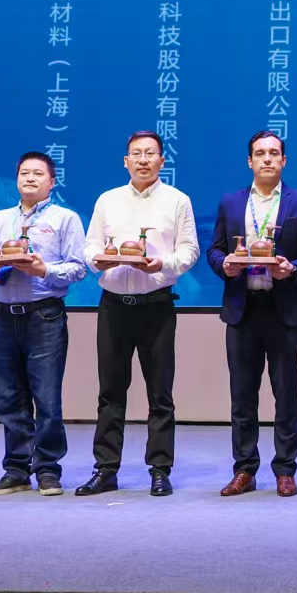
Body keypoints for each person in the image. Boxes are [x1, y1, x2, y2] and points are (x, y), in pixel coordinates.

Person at [74, 131, 200, 497]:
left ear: (162, 160)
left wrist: (163, 265)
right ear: (125, 161)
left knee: (160, 393)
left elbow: (189, 250)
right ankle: (106, 469)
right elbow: (90, 245)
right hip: (113, 306)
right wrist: (96, 260)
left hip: (156, 306)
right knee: (110, 391)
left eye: (150, 153)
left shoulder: (177, 200)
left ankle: (160, 469)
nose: (143, 160)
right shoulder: (108, 199)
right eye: (136, 154)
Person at [209, 129, 297, 498]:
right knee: (242, 395)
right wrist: (224, 265)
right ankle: (245, 469)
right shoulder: (230, 202)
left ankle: (285, 469)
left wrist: (294, 268)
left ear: (284, 160)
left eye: (274, 153)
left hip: (283, 309)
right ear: (250, 161)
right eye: (260, 153)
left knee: (286, 393)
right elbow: (214, 250)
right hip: (242, 310)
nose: (267, 159)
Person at [0, 151, 88, 496]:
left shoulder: (65, 218)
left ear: (52, 181)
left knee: (47, 398)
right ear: (17, 179)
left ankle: (48, 470)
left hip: (44, 314)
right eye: (24, 173)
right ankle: (16, 470)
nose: (30, 178)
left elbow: (78, 268)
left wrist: (43, 270)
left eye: (38, 173)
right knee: (8, 396)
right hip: (2, 315)